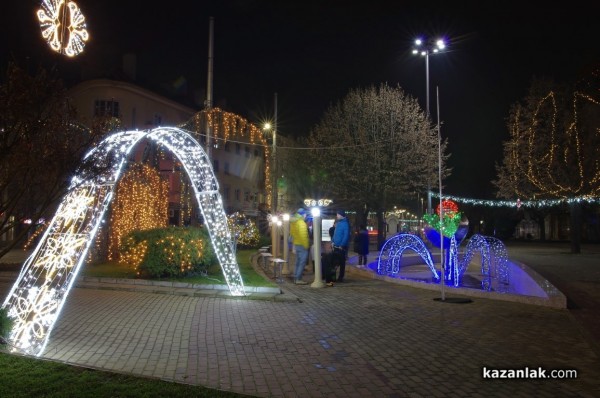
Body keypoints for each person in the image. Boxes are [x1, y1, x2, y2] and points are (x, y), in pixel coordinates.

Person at [289, 208, 310, 284]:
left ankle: (295, 276)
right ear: (303, 214)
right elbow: (303, 235)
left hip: (297, 243)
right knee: (302, 262)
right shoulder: (301, 223)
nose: (306, 216)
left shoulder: (294, 222)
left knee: (298, 261)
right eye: (305, 214)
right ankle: (298, 279)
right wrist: (306, 245)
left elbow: (292, 233)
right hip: (302, 244)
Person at [331, 209, 350, 282]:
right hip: (335, 246)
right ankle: (333, 279)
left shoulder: (345, 224)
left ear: (341, 215)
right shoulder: (339, 223)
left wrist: (342, 245)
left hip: (341, 248)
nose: (337, 216)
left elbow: (346, 236)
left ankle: (340, 278)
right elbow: (335, 234)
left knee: (341, 263)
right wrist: (332, 241)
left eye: (338, 214)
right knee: (334, 263)